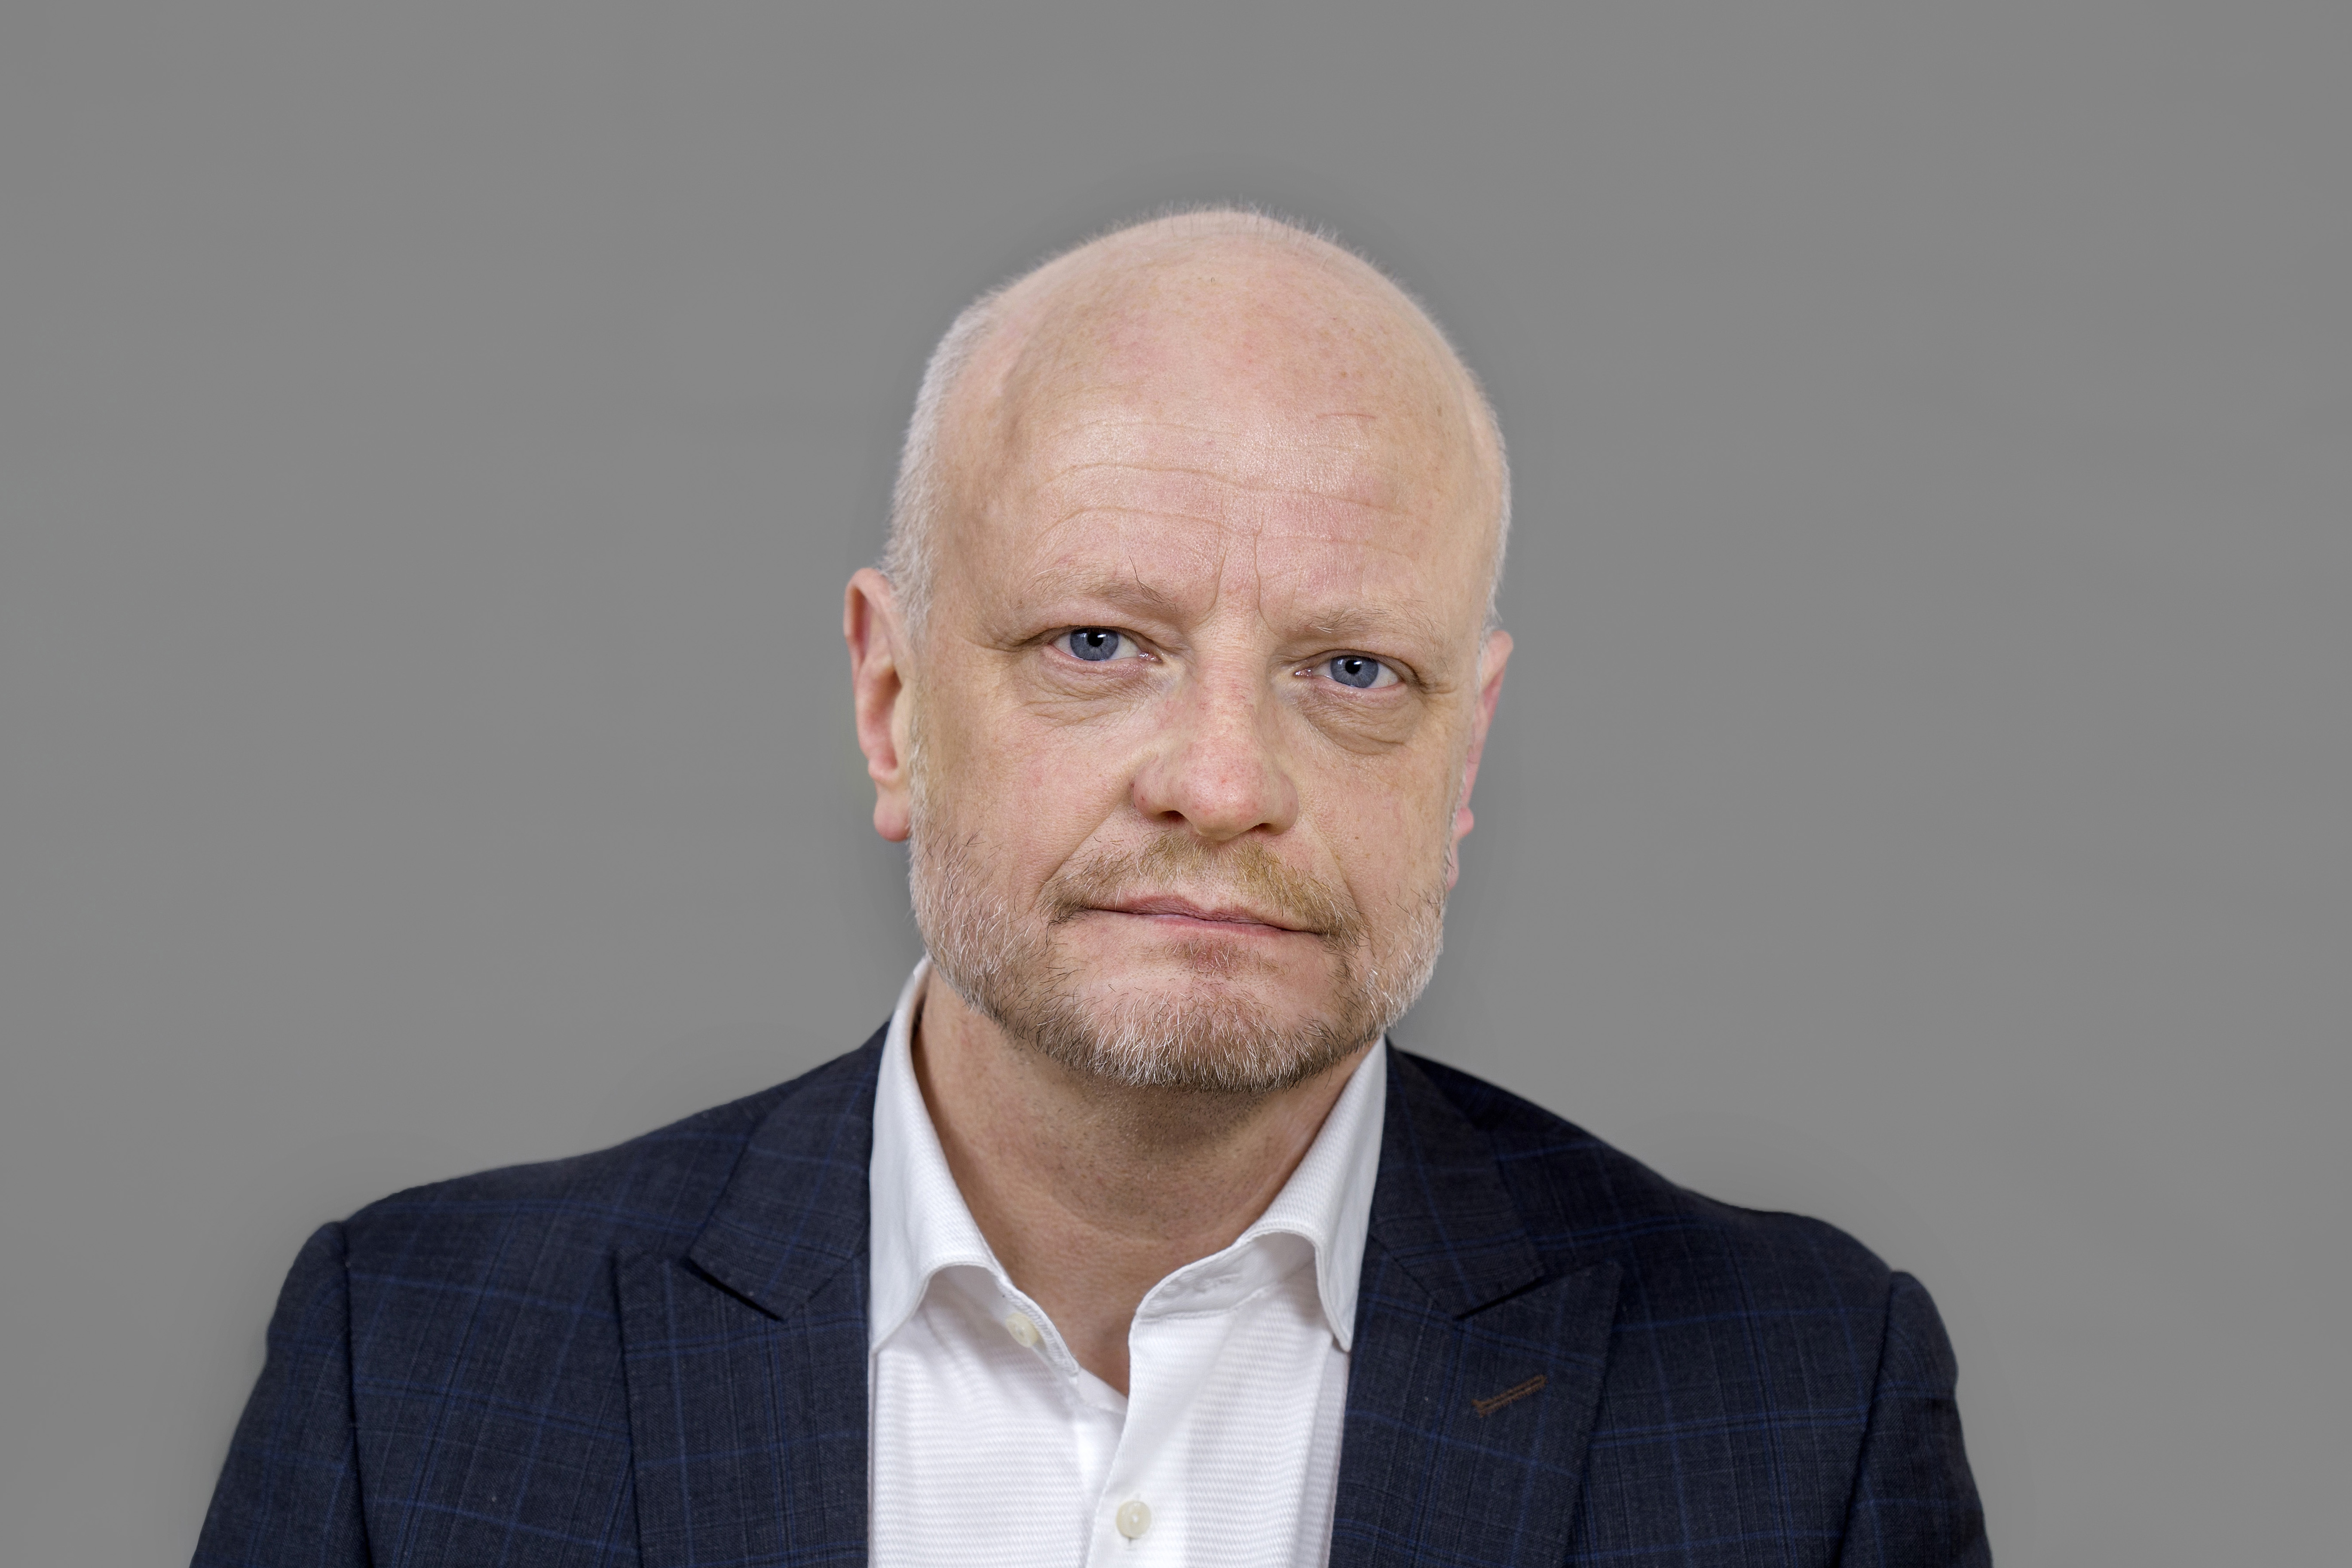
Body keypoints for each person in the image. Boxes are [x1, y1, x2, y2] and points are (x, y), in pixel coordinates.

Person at [194, 210, 1988, 1568]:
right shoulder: (414, 1369)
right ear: (893, 704)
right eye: (1099, 643)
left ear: (1467, 752)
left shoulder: (1801, 1404)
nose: (1223, 782)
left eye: (1352, 670)